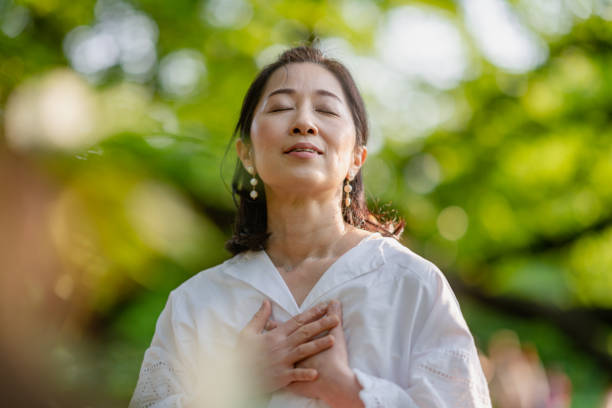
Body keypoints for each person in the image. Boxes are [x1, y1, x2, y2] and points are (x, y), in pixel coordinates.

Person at [129, 46, 492, 408]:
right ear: (247, 154)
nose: (304, 123)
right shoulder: (195, 303)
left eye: (326, 109)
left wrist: (349, 391)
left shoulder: (413, 285)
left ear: (356, 158)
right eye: (281, 107)